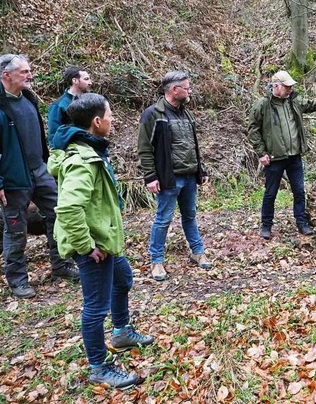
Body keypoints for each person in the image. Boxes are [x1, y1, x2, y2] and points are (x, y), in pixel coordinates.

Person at [48, 93, 154, 389]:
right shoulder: (82, 159)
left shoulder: (90, 149)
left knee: (123, 280)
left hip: (105, 240)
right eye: (109, 115)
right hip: (94, 246)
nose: (113, 119)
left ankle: (121, 332)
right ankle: (99, 367)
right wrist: (86, 246)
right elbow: (69, 208)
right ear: (96, 122)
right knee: (95, 307)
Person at [0, 54, 78, 299]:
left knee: (60, 212)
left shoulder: (29, 100)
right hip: (13, 179)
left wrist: (47, 165)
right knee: (15, 230)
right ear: (6, 75)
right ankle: (18, 280)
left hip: (39, 172)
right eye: (24, 72)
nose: (30, 75)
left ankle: (61, 265)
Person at [247, 70, 316, 240]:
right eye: (287, 87)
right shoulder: (262, 105)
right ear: (276, 86)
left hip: (294, 156)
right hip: (274, 158)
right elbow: (252, 130)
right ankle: (266, 226)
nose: (290, 90)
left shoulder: (294, 101)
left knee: (299, 191)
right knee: (270, 193)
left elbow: (312, 103)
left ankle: (302, 223)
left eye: (291, 87)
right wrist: (261, 153)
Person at [137, 71, 212, 281]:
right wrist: (150, 176)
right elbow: (144, 149)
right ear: (174, 90)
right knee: (163, 220)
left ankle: (198, 252)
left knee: (190, 217)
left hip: (189, 177)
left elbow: (192, 145)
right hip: (169, 179)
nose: (190, 91)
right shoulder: (153, 114)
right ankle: (157, 261)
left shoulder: (187, 114)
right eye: (186, 88)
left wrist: (201, 169)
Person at [48, 66, 92, 146]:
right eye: (86, 79)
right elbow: (53, 136)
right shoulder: (58, 105)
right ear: (75, 80)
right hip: (72, 151)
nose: (90, 83)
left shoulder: (91, 101)